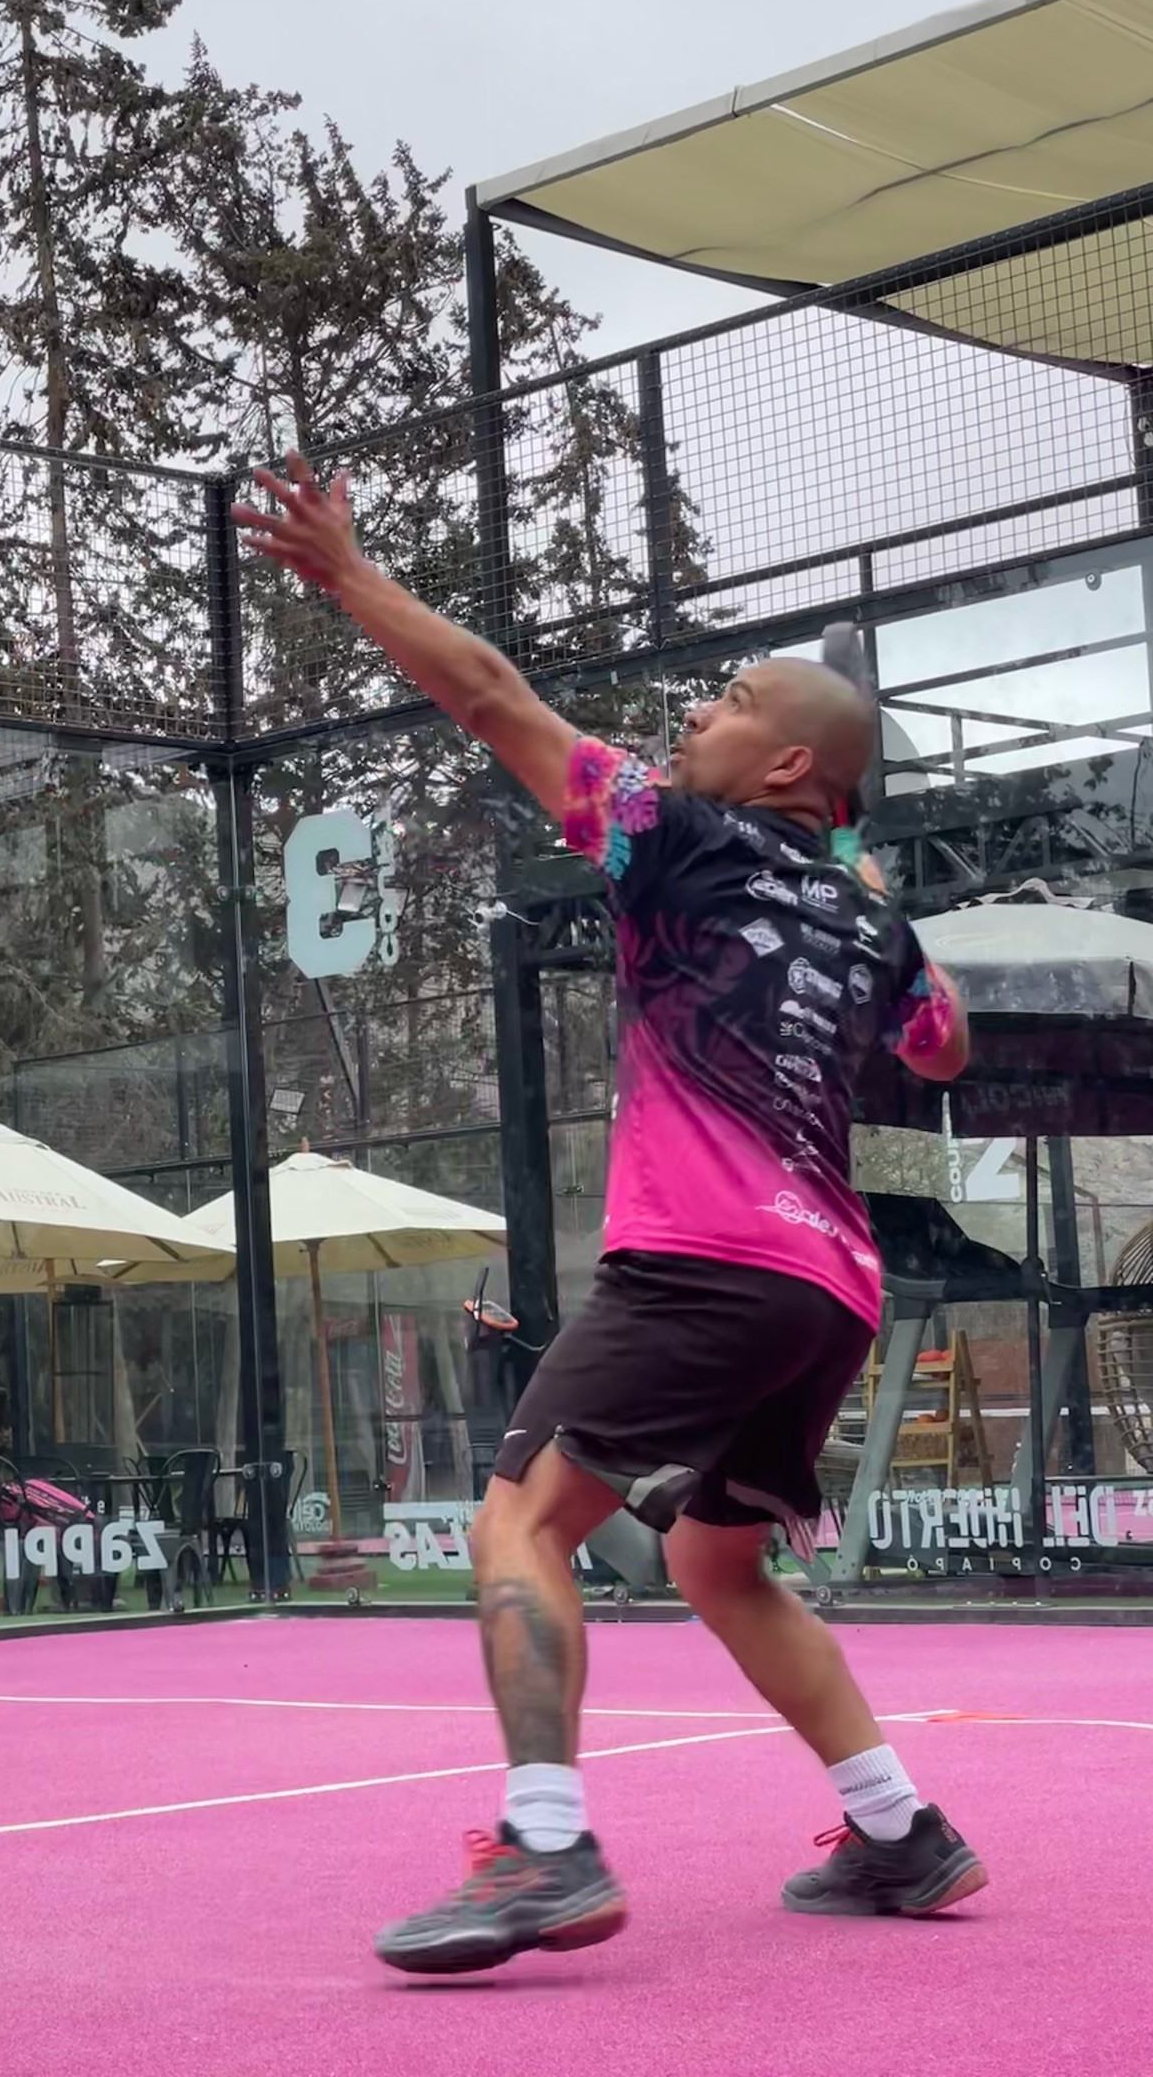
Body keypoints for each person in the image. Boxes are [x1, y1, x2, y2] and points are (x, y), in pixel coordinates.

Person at [234, 451, 984, 1977]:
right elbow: (944, 1046)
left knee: (518, 1520)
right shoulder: (873, 921)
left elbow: (493, 697)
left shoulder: (675, 837)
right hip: (830, 1288)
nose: (695, 715)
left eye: (731, 701)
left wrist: (349, 576)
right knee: (718, 1562)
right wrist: (858, 884)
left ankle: (545, 1847)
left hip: (708, 1261)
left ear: (787, 764)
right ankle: (901, 1829)